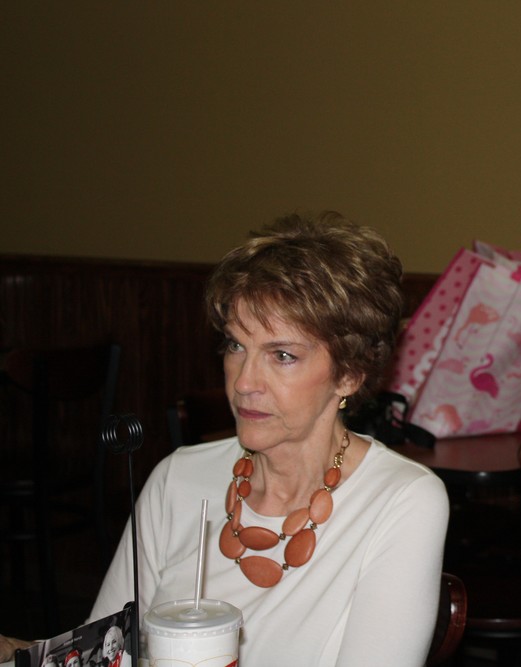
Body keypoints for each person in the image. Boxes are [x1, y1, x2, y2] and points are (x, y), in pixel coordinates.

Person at [84, 212, 449, 665]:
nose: (243, 382)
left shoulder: (401, 500)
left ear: (350, 374)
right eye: (236, 345)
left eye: (282, 355)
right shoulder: (176, 479)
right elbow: (102, 655)